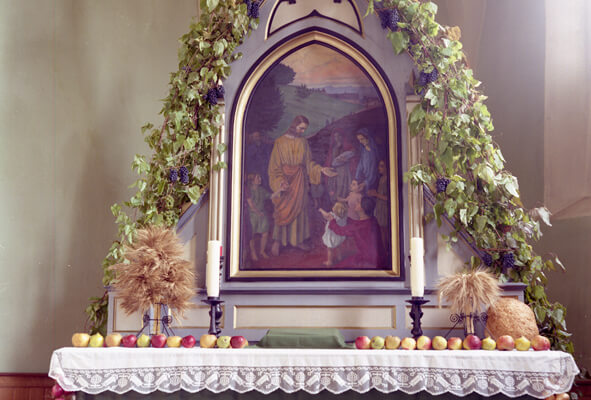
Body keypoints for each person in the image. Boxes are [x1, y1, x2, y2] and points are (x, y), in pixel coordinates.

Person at [268, 115, 336, 256]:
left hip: (299, 181)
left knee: (299, 211)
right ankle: (277, 241)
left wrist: (321, 169)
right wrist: (280, 181)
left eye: (304, 129)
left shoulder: (303, 142)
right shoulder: (279, 142)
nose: (302, 132)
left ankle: (297, 240)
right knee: (282, 210)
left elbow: (308, 163)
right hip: (285, 181)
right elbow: (274, 166)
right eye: (300, 128)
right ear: (294, 126)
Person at [327, 196, 385, 267]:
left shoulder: (358, 227)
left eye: (359, 203)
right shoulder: (373, 220)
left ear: (362, 209)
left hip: (367, 260)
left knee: (338, 268)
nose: (357, 203)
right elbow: (357, 224)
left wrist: (332, 221)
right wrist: (346, 218)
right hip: (378, 257)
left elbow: (340, 231)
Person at [245, 174, 281, 261]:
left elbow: (271, 196)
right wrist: (258, 212)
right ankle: (253, 252)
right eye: (258, 178)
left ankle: (262, 251)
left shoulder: (261, 190)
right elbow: (251, 204)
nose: (260, 179)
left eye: (260, 177)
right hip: (252, 214)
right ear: (253, 181)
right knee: (252, 235)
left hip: (262, 214)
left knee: (265, 233)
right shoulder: (248, 190)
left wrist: (280, 189)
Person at [368, 160, 390, 251]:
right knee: (382, 231)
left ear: (386, 168)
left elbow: (388, 198)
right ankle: (385, 251)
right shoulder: (381, 179)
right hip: (380, 208)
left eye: (381, 166)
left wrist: (376, 194)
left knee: (386, 231)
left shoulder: (388, 180)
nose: (379, 168)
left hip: (385, 209)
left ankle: (388, 250)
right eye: (379, 166)